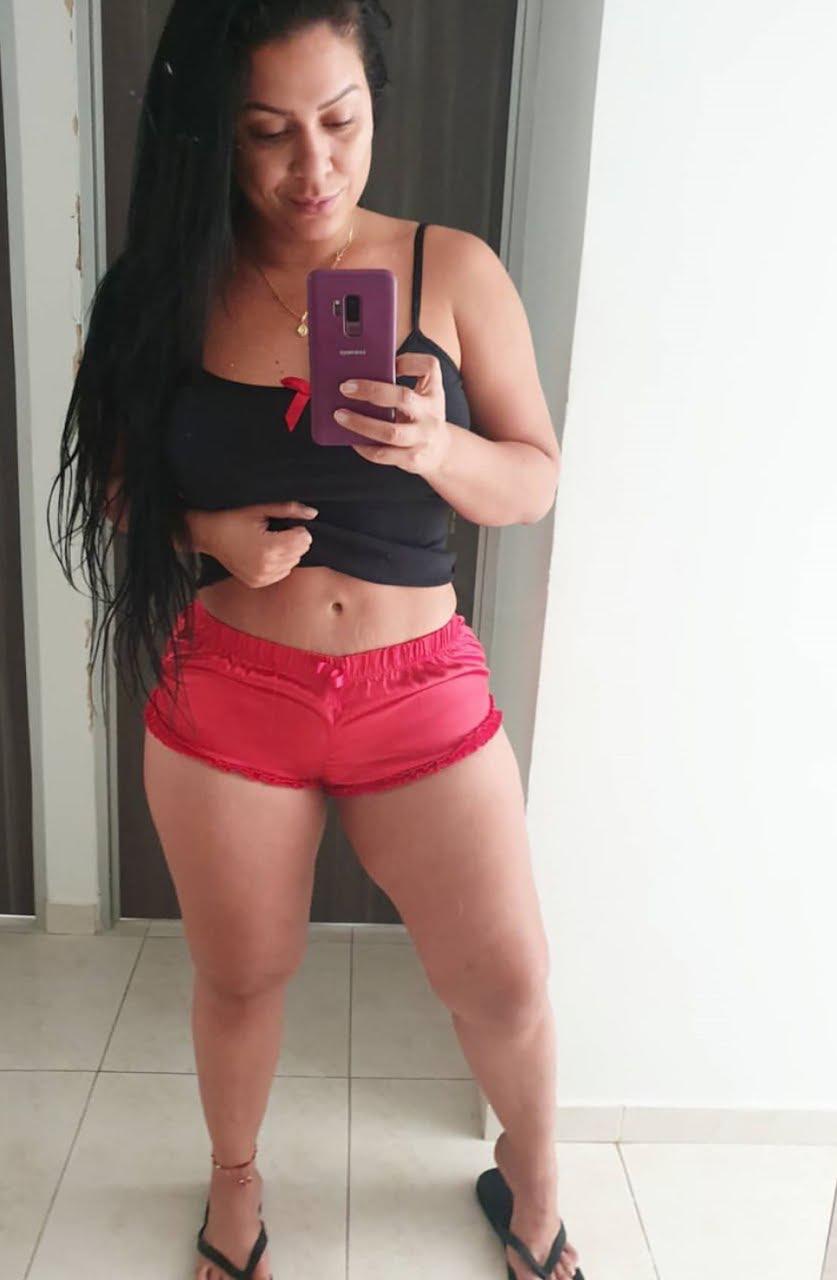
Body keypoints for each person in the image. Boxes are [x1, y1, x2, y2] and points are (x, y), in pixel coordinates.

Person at [49, 3, 582, 1278]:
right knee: (242, 977)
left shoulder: (451, 269)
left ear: (373, 101)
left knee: (506, 982)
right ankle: (234, 1184)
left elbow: (534, 477)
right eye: (267, 132)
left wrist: (437, 446)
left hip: (421, 691)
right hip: (231, 692)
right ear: (213, 136)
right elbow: (114, 488)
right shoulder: (167, 287)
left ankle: (535, 1180)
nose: (314, 166)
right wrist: (208, 534)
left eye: (341, 120)